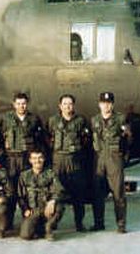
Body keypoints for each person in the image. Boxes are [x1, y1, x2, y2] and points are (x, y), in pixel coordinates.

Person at [0, 92, 47, 225]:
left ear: (27, 104)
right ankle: (8, 221)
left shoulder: (34, 119)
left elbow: (40, 140)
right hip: (11, 159)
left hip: (27, 159)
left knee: (28, 189)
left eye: (24, 103)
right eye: (18, 104)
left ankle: (30, 220)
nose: (21, 106)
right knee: (11, 190)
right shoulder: (6, 118)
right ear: (14, 104)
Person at [47, 94, 91, 231]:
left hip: (75, 160)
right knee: (56, 191)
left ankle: (79, 223)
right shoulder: (53, 121)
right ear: (60, 106)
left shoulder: (80, 121)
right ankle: (53, 221)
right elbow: (48, 138)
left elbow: (86, 140)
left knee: (78, 194)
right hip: (58, 160)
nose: (67, 106)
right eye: (65, 104)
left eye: (70, 104)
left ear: (73, 106)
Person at [91, 92, 128, 233]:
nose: (106, 105)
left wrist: (123, 158)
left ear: (112, 104)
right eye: (103, 103)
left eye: (109, 103)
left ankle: (121, 224)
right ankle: (98, 223)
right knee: (97, 193)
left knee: (118, 192)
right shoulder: (94, 120)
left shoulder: (120, 119)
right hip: (99, 158)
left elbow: (128, 140)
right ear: (99, 104)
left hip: (114, 158)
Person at [18, 149, 65, 241]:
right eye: (34, 158)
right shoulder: (24, 176)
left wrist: (52, 201)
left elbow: (60, 190)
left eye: (40, 158)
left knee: (59, 206)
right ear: (30, 160)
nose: (37, 161)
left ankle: (49, 228)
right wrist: (25, 209)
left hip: (47, 209)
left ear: (44, 159)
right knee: (25, 235)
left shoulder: (50, 174)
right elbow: (20, 196)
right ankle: (39, 229)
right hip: (33, 210)